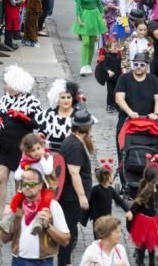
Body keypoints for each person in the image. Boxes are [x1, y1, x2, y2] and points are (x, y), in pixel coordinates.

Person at [0, 65, 43, 220]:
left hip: (22, 146)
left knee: (19, 180)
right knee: (0, 177)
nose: (5, 87)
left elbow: (37, 123)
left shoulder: (31, 101)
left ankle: (17, 213)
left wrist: (23, 117)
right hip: (4, 144)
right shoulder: (3, 100)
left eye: (7, 84)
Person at [58, 109, 95, 266]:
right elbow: (74, 173)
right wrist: (82, 196)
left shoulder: (74, 141)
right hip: (71, 197)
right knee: (69, 231)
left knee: (70, 229)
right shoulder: (74, 146)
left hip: (69, 196)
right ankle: (64, 262)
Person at [114, 51, 158, 156]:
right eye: (136, 64)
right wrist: (130, 112)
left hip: (147, 123)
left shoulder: (155, 81)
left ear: (147, 66)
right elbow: (119, 98)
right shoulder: (124, 78)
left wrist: (156, 113)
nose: (138, 67)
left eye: (142, 65)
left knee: (149, 152)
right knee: (123, 152)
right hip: (127, 121)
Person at [70, 0, 109, 76]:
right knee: (86, 42)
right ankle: (83, 65)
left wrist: (102, 16)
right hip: (85, 16)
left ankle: (88, 65)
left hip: (95, 16)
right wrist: (78, 18)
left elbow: (99, 4)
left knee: (92, 42)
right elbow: (77, 6)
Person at [40, 78, 81, 150]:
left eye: (69, 97)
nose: (66, 100)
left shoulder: (78, 114)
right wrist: (41, 135)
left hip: (71, 149)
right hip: (52, 148)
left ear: (73, 98)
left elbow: (84, 134)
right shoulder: (51, 112)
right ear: (57, 99)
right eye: (63, 97)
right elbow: (43, 130)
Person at [88, 164, 130, 233]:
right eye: (112, 175)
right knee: (98, 237)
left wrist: (128, 210)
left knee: (106, 235)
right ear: (107, 176)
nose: (113, 176)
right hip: (97, 220)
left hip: (107, 219)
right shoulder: (96, 189)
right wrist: (92, 218)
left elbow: (120, 201)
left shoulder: (111, 190)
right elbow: (90, 203)